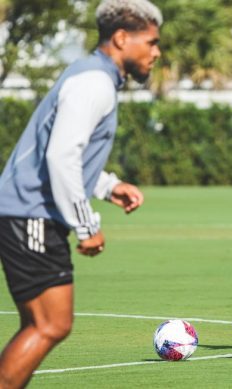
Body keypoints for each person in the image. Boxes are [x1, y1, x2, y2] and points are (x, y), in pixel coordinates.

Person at [0, 0, 162, 386]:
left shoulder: (90, 75)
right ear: (122, 38)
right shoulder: (95, 82)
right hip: (32, 215)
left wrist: (108, 185)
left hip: (26, 213)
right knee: (51, 325)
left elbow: (64, 152)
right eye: (152, 42)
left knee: (41, 324)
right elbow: (60, 157)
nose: (156, 52)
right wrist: (87, 225)